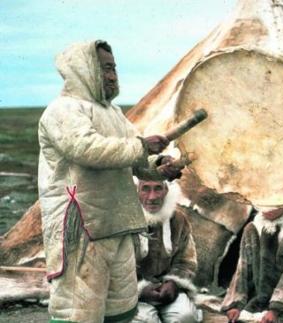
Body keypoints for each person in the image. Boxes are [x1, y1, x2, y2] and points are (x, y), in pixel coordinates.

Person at [38, 40, 182, 322]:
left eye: (114, 68)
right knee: (80, 310)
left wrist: (158, 168)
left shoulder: (113, 114)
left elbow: (135, 158)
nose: (113, 75)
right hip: (82, 226)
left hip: (116, 223)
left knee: (119, 307)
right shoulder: (63, 110)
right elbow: (86, 148)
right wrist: (142, 148)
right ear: (84, 69)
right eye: (105, 68)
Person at [221, 205, 283, 323]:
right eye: (263, 203)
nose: (266, 208)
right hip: (257, 300)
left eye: (273, 204)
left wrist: (277, 309)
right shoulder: (253, 228)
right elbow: (243, 268)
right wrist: (236, 304)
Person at [132, 179, 202, 323]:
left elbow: (186, 261)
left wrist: (173, 283)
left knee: (186, 317)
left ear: (166, 191)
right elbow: (113, 268)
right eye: (145, 189)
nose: (152, 197)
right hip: (130, 294)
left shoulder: (178, 219)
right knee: (146, 320)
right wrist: (140, 289)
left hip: (166, 290)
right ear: (136, 191)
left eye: (158, 188)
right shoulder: (123, 222)